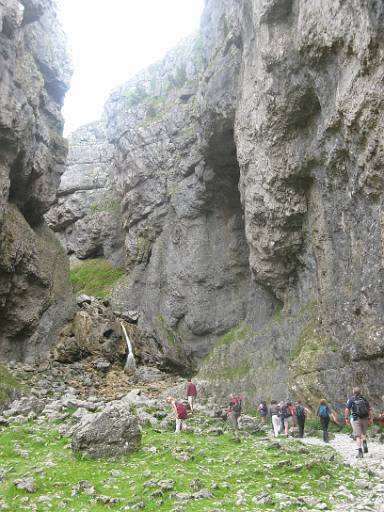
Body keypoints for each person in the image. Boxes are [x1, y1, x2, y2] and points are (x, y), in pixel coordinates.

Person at [345, 387, 372, 458]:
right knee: (363, 433)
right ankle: (365, 444)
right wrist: (370, 419)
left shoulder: (351, 399)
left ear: (353, 392)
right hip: (365, 418)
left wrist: (346, 418)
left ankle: (360, 452)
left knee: (357, 436)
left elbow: (347, 409)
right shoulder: (364, 399)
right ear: (360, 392)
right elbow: (369, 410)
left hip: (356, 419)